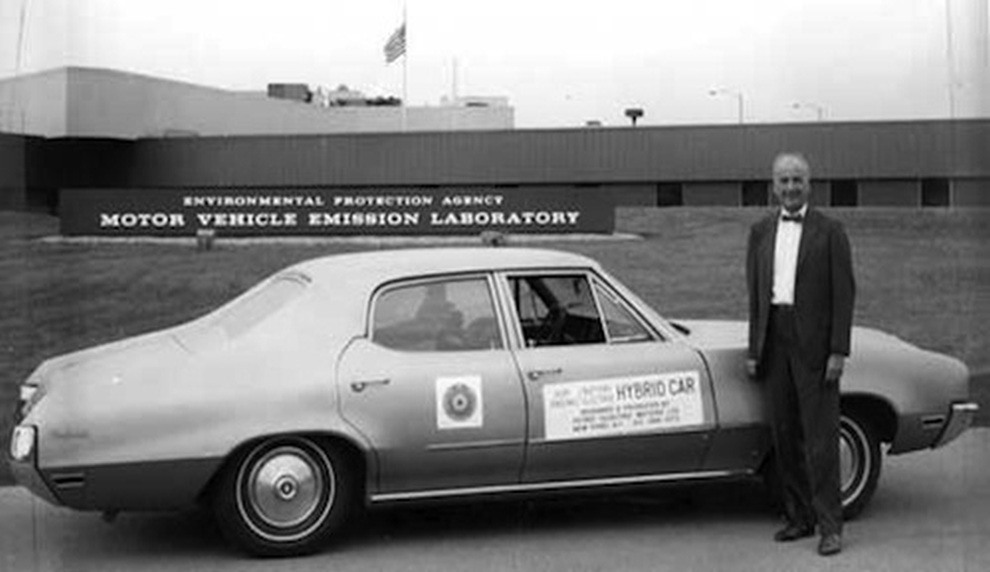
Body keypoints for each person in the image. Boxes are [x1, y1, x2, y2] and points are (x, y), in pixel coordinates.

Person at [745, 152, 855, 557]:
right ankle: (799, 517)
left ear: (809, 185)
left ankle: (831, 526)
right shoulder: (759, 232)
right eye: (783, 181)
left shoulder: (830, 231)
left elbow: (844, 295)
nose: (790, 187)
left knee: (821, 439)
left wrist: (838, 351)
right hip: (775, 339)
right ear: (773, 186)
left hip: (815, 347)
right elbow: (755, 296)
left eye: (797, 180)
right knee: (785, 435)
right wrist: (755, 348)